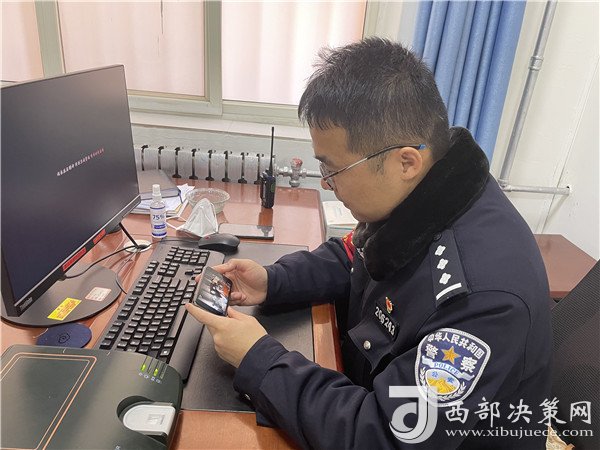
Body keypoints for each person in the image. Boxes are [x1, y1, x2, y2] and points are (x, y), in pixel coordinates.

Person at [186, 38, 552, 449]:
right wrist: (274, 281)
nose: (327, 184)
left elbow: (383, 436)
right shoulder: (424, 191)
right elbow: (356, 256)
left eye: (334, 170)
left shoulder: (482, 300)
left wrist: (259, 360)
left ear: (405, 162)